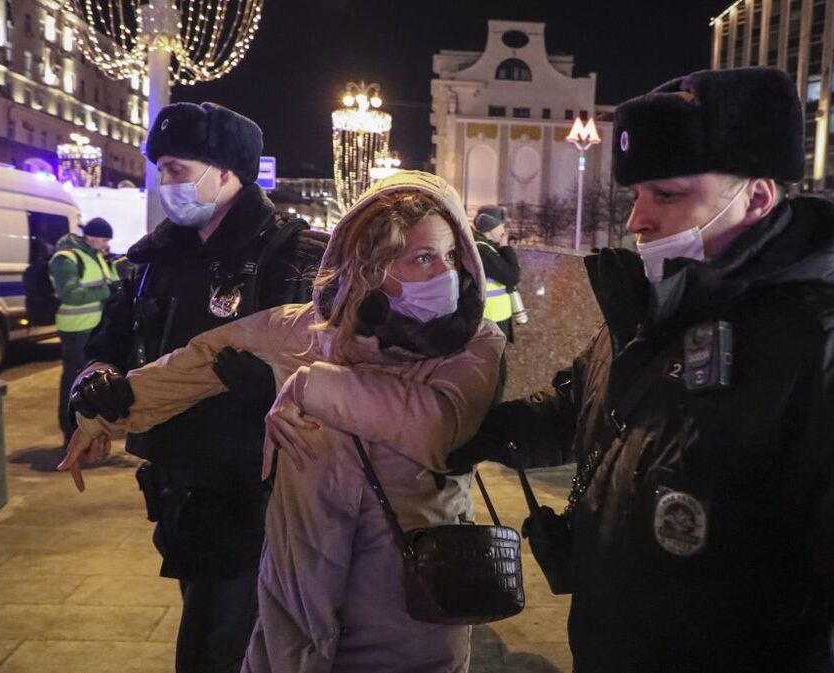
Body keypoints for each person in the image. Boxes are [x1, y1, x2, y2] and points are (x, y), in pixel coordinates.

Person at [448, 67, 834, 671]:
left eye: (667, 195)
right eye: (636, 195)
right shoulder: (658, 306)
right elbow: (576, 408)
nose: (638, 220)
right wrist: (465, 430)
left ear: (757, 198)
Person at [61, 170, 505, 673]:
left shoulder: (474, 342)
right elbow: (198, 361)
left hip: (411, 618)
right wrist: (102, 414)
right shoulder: (306, 330)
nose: (446, 273)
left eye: (451, 256)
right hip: (297, 618)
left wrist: (310, 387)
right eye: (424, 258)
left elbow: (441, 427)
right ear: (371, 267)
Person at [67, 102, 326, 673]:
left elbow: (336, 361)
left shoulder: (294, 255)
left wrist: (277, 383)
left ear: (227, 172)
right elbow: (106, 344)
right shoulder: (153, 259)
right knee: (221, 631)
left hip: (257, 491)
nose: (166, 184)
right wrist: (95, 385)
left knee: (214, 648)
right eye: (160, 169)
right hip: (178, 486)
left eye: (178, 169)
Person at [49, 216, 119, 448]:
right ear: (92, 237)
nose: (106, 244)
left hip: (96, 327)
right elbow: (70, 295)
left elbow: (110, 283)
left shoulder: (96, 256)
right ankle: (70, 433)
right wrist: (106, 292)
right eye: (104, 239)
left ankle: (89, 433)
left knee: (91, 383)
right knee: (73, 383)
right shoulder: (65, 259)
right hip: (77, 329)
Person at [473, 205, 521, 342]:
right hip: (490, 320)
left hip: (493, 320)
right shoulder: (483, 250)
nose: (504, 231)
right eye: (501, 226)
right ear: (490, 227)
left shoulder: (485, 247)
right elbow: (512, 276)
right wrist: (505, 247)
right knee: (494, 363)